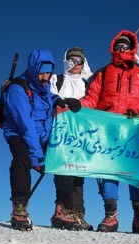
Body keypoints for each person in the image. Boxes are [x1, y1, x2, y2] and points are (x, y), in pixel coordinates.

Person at [80, 29, 139, 233]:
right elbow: (91, 97)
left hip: (133, 128)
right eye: (118, 46)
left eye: (124, 46)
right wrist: (77, 107)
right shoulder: (103, 72)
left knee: (135, 172)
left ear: (132, 48)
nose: (121, 49)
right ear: (113, 48)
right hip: (108, 128)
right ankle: (111, 215)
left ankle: (138, 216)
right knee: (109, 169)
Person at [3, 49, 81, 231]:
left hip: (42, 133)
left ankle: (62, 210)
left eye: (48, 72)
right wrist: (37, 156)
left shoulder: (42, 86)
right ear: (33, 69)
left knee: (63, 161)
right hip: (19, 133)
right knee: (22, 160)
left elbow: (46, 97)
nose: (45, 77)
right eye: (41, 72)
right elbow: (25, 124)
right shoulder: (18, 89)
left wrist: (61, 101)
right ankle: (19, 208)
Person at [49, 47, 93, 231]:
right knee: (63, 171)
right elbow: (48, 95)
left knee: (78, 174)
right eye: (73, 59)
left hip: (80, 134)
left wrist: (81, 105)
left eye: (80, 60)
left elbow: (93, 102)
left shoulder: (86, 83)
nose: (76, 64)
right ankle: (62, 209)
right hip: (61, 132)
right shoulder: (57, 79)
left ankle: (77, 212)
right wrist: (57, 100)